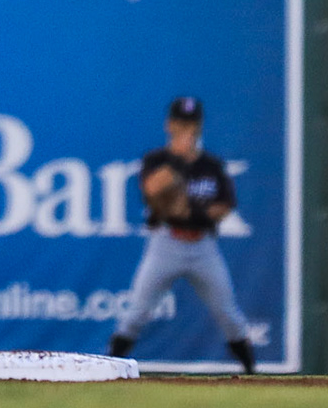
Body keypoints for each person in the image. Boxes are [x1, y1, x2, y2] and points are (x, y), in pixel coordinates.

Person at [108, 96, 257, 373]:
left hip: (202, 245)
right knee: (136, 313)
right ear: (169, 125)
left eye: (191, 123)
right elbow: (152, 190)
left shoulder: (211, 165)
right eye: (180, 122)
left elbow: (225, 205)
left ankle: (252, 373)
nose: (186, 128)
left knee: (229, 314)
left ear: (199, 126)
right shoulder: (158, 159)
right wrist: (178, 160)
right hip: (166, 242)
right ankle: (110, 369)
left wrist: (191, 211)